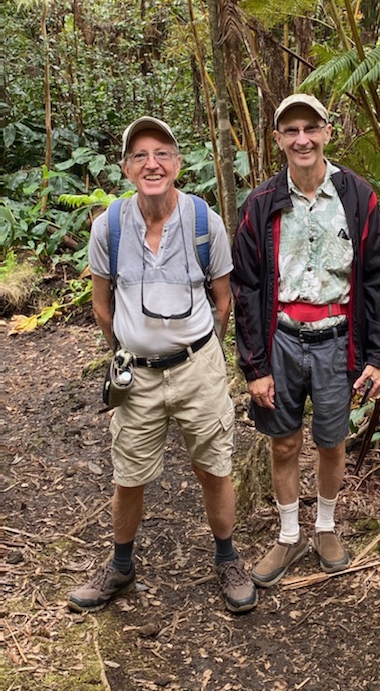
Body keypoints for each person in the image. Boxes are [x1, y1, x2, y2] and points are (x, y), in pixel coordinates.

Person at [67, 116, 257, 614]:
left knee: (214, 466)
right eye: (140, 156)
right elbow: (102, 306)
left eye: (163, 154)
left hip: (198, 367)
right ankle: (120, 565)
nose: (152, 164)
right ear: (128, 168)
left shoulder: (203, 222)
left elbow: (222, 300)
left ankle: (227, 558)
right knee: (128, 473)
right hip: (138, 373)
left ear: (176, 164)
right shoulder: (108, 226)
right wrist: (129, 349)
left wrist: (197, 351)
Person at [231, 93, 380, 586]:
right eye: (290, 130)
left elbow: (377, 278)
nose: (301, 139)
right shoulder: (261, 204)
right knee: (283, 443)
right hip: (281, 338)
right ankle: (287, 536)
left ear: (327, 131)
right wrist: (254, 367)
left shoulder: (355, 195)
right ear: (278, 139)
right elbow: (246, 287)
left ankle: (325, 526)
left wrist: (379, 357)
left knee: (331, 441)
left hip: (336, 339)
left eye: (310, 128)